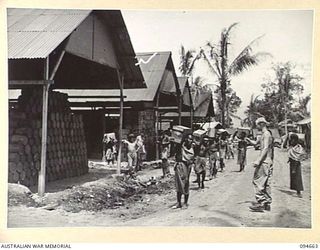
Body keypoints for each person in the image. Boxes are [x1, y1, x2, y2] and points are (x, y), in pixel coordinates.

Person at [246, 117, 274, 212]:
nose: (256, 126)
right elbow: (256, 144)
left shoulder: (266, 134)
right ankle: (267, 203)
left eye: (257, 124)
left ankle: (261, 202)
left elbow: (265, 148)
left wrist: (258, 160)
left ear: (262, 124)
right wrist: (248, 140)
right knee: (265, 182)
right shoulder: (264, 134)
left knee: (257, 181)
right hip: (267, 161)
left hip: (264, 161)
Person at [172, 134, 195, 209]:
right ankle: (178, 203)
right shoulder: (180, 147)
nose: (189, 140)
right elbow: (175, 150)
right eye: (188, 139)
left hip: (187, 167)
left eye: (191, 139)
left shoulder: (192, 148)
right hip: (180, 166)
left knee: (186, 183)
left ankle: (185, 202)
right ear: (185, 139)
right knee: (179, 184)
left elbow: (192, 158)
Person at [284, 133, 306, 198]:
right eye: (291, 140)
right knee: (294, 178)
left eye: (292, 140)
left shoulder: (298, 148)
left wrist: (294, 168)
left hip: (296, 165)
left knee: (298, 178)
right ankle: (296, 190)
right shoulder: (293, 147)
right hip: (292, 164)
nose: (291, 141)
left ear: (296, 140)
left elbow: (297, 157)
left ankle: (299, 192)